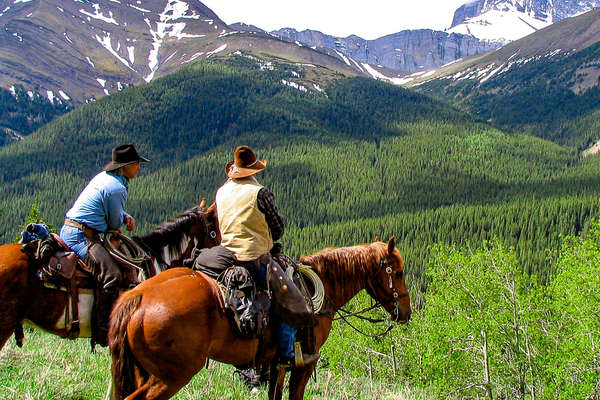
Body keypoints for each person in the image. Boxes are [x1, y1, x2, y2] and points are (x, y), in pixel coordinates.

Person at [215, 145, 318, 369]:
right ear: (253, 170)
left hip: (225, 257)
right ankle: (288, 354)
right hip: (254, 258)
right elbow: (278, 227)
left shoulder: (221, 191)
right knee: (291, 300)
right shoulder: (260, 193)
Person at [59, 144, 149, 347]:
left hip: (76, 230)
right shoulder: (117, 188)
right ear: (126, 166)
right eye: (136, 164)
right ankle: (102, 331)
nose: (139, 168)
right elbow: (114, 226)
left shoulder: (105, 178)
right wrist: (120, 222)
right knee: (111, 275)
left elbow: (110, 212)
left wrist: (124, 216)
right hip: (80, 236)